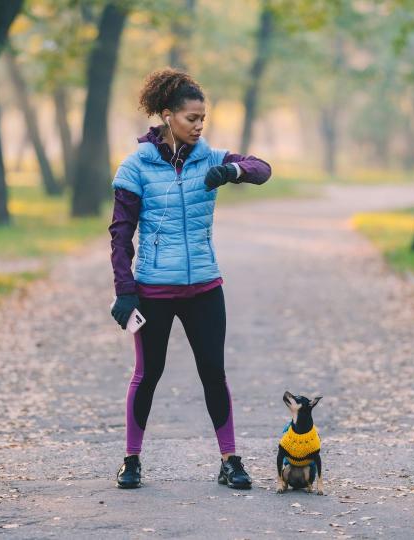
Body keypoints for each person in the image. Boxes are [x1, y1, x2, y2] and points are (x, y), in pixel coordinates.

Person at [108, 68, 272, 489]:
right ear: (167, 116)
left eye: (203, 118)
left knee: (213, 373)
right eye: (191, 118)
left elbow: (262, 168)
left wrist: (233, 173)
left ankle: (230, 460)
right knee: (148, 373)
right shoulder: (137, 166)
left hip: (203, 287)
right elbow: (120, 233)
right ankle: (131, 460)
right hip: (153, 291)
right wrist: (125, 291)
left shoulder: (211, 158)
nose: (199, 126)